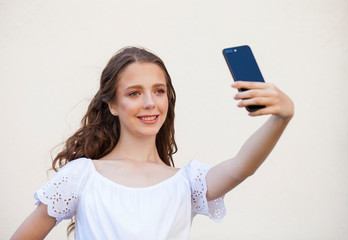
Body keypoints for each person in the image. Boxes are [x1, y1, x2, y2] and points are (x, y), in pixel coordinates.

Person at [11, 46, 294, 240]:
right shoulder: (81, 176)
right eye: (134, 93)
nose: (149, 103)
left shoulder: (186, 182)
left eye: (158, 91)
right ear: (112, 104)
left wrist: (281, 118)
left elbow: (240, 168)